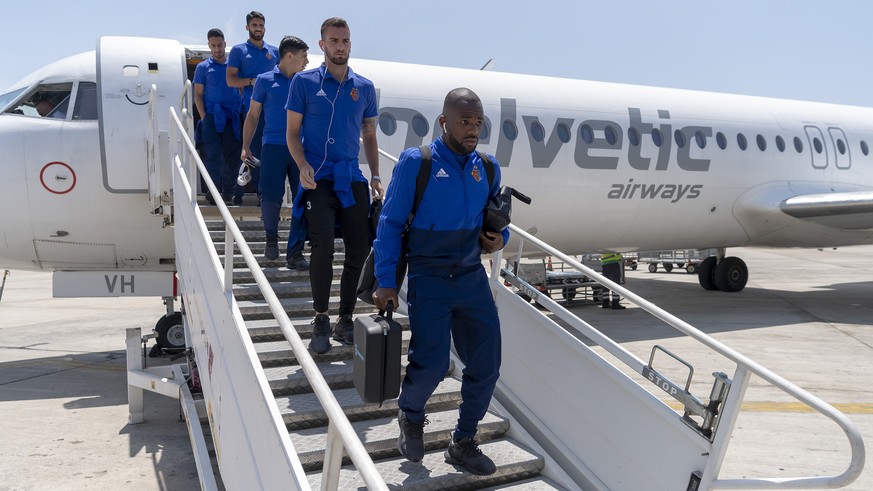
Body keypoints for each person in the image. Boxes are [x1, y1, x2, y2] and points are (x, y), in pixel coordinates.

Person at [372, 88, 509, 476]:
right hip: (429, 274)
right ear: (444, 122)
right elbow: (390, 223)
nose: (473, 129)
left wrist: (499, 239)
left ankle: (463, 442)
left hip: (470, 276)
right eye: (465, 121)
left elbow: (496, 222)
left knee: (487, 364)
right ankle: (411, 414)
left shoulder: (488, 166)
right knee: (431, 364)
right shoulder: (419, 162)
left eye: (478, 122)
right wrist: (385, 281)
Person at [286, 17, 382, 354]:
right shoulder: (304, 82)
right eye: (333, 40)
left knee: (358, 248)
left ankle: (345, 319)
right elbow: (291, 133)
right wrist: (301, 166)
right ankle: (321, 318)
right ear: (322, 44)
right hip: (318, 178)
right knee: (323, 246)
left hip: (351, 178)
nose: (340, 46)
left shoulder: (365, 88)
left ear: (349, 44)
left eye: (345, 40)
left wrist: (375, 175)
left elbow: (369, 134)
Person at [242, 35, 310, 268]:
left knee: (302, 199)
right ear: (289, 56)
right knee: (271, 198)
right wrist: (245, 146)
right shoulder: (264, 80)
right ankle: (271, 239)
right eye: (303, 56)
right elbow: (253, 115)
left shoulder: (305, 81)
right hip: (272, 147)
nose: (307, 62)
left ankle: (296, 253)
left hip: (300, 150)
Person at [227, 11, 279, 204]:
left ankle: (268, 192)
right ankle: (256, 193)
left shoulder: (274, 52)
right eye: (254, 25)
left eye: (261, 25)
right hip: (251, 109)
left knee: (272, 151)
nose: (258, 29)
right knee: (252, 151)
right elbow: (230, 80)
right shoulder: (238, 51)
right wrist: (250, 81)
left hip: (274, 110)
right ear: (247, 27)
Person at [194, 28, 243, 205]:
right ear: (209, 45)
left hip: (232, 117)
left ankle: (228, 192)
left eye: (219, 45)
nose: (217, 49)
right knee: (212, 156)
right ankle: (213, 191)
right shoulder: (203, 67)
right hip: (212, 117)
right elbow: (198, 94)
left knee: (233, 156)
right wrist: (205, 116)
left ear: (225, 44)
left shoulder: (234, 66)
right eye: (213, 45)